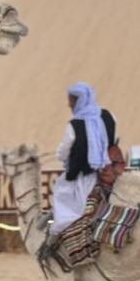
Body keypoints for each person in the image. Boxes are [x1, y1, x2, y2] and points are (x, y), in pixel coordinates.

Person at [50, 82, 116, 237]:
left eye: (72, 100)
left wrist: (60, 155)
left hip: (85, 178)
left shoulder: (74, 125)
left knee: (61, 191)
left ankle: (66, 232)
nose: (69, 105)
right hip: (111, 174)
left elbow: (63, 153)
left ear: (80, 101)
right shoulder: (109, 116)